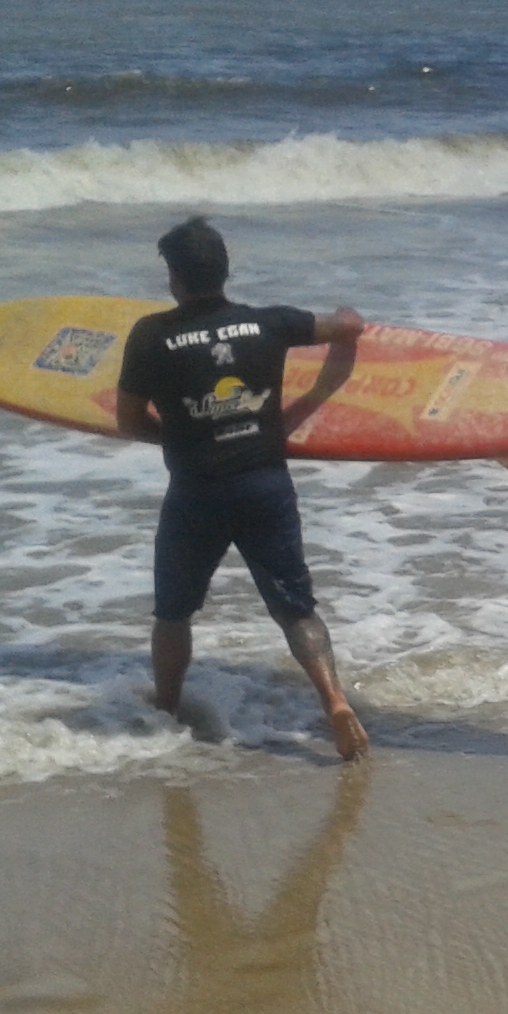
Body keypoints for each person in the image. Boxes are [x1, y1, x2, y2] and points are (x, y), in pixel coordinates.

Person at [113, 217, 372, 761]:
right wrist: (310, 399)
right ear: (225, 271)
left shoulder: (151, 336)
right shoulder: (269, 323)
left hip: (196, 494)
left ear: (174, 277)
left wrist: (180, 436)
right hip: (265, 487)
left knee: (173, 613)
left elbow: (129, 421)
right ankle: (335, 702)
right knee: (296, 609)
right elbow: (348, 327)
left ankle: (167, 707)